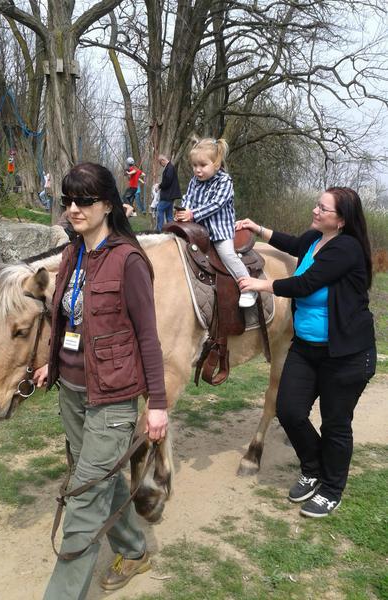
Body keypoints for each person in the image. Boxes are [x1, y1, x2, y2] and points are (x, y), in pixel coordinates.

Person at [33, 162, 168, 599]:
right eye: (68, 200)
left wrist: (158, 404)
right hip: (72, 393)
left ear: (108, 204)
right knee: (101, 480)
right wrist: (51, 364)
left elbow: (147, 337)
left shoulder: (129, 260)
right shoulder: (72, 254)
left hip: (112, 400)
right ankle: (134, 550)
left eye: (84, 200)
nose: (74, 208)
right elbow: (67, 319)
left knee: (85, 495)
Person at [236, 187, 376, 517]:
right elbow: (291, 243)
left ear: (341, 220)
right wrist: (258, 228)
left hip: (345, 354)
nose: (315, 211)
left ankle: (331, 489)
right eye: (316, 205)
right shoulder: (316, 239)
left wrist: (261, 285)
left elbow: (305, 284)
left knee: (335, 425)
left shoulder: (346, 249)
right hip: (306, 348)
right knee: (289, 411)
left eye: (323, 209)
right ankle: (312, 469)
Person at [174, 138, 256, 307]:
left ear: (216, 164)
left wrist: (192, 214)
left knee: (227, 255)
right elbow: (188, 197)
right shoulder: (194, 181)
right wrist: (183, 212)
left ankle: (248, 286)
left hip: (219, 232)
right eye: (194, 165)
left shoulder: (224, 181)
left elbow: (216, 204)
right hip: (198, 229)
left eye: (203, 165)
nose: (197, 170)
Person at [155, 154, 181, 232]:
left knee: (160, 210)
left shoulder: (169, 168)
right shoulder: (170, 167)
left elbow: (167, 182)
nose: (161, 165)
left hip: (167, 195)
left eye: (160, 163)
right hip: (170, 196)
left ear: (163, 160)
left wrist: (159, 186)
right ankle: (172, 231)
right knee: (169, 215)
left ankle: (159, 231)